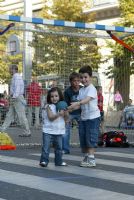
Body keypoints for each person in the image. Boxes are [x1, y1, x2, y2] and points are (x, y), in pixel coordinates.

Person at [68, 65, 100, 167]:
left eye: (85, 77)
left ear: (90, 77)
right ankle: (87, 156)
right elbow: (79, 104)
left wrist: (77, 104)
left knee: (90, 137)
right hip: (84, 118)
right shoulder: (81, 90)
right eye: (81, 77)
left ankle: (92, 159)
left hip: (93, 118)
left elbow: (86, 100)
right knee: (83, 138)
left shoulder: (92, 88)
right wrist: (69, 109)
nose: (83, 79)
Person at [39, 87, 68, 167]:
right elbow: (51, 118)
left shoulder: (62, 105)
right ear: (49, 97)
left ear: (60, 96)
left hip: (58, 131)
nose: (54, 98)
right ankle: (44, 161)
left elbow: (67, 118)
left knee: (59, 147)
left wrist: (66, 112)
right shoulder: (48, 106)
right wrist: (59, 114)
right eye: (52, 96)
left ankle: (58, 161)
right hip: (48, 130)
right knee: (46, 147)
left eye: (56, 96)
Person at [0, 64, 31, 137]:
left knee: (21, 116)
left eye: (10, 69)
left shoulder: (16, 77)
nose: (9, 70)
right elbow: (15, 88)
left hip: (17, 98)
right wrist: (11, 96)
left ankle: (27, 131)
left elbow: (17, 88)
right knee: (9, 115)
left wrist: (14, 97)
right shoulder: (15, 77)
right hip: (15, 97)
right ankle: (2, 129)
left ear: (13, 69)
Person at [62, 72, 81, 154]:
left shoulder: (83, 89)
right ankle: (65, 149)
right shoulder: (67, 92)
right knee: (66, 130)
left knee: (83, 130)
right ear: (71, 82)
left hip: (81, 113)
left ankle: (85, 148)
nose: (76, 83)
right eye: (74, 81)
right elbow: (65, 106)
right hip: (71, 112)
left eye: (78, 80)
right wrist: (66, 117)